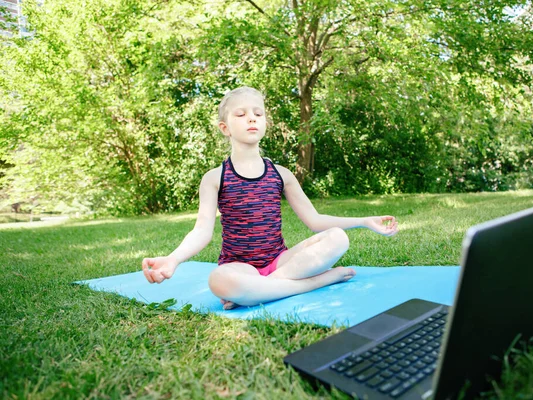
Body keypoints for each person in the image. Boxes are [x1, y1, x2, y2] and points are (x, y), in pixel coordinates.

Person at [142, 86, 399, 310]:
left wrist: (365, 221)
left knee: (338, 238)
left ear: (265, 122)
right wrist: (173, 259)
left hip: (281, 262)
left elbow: (315, 220)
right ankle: (315, 282)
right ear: (225, 127)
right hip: (239, 267)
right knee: (218, 281)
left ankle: (259, 291)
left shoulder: (282, 174)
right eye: (241, 115)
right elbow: (202, 231)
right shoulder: (214, 178)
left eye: (258, 113)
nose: (251, 119)